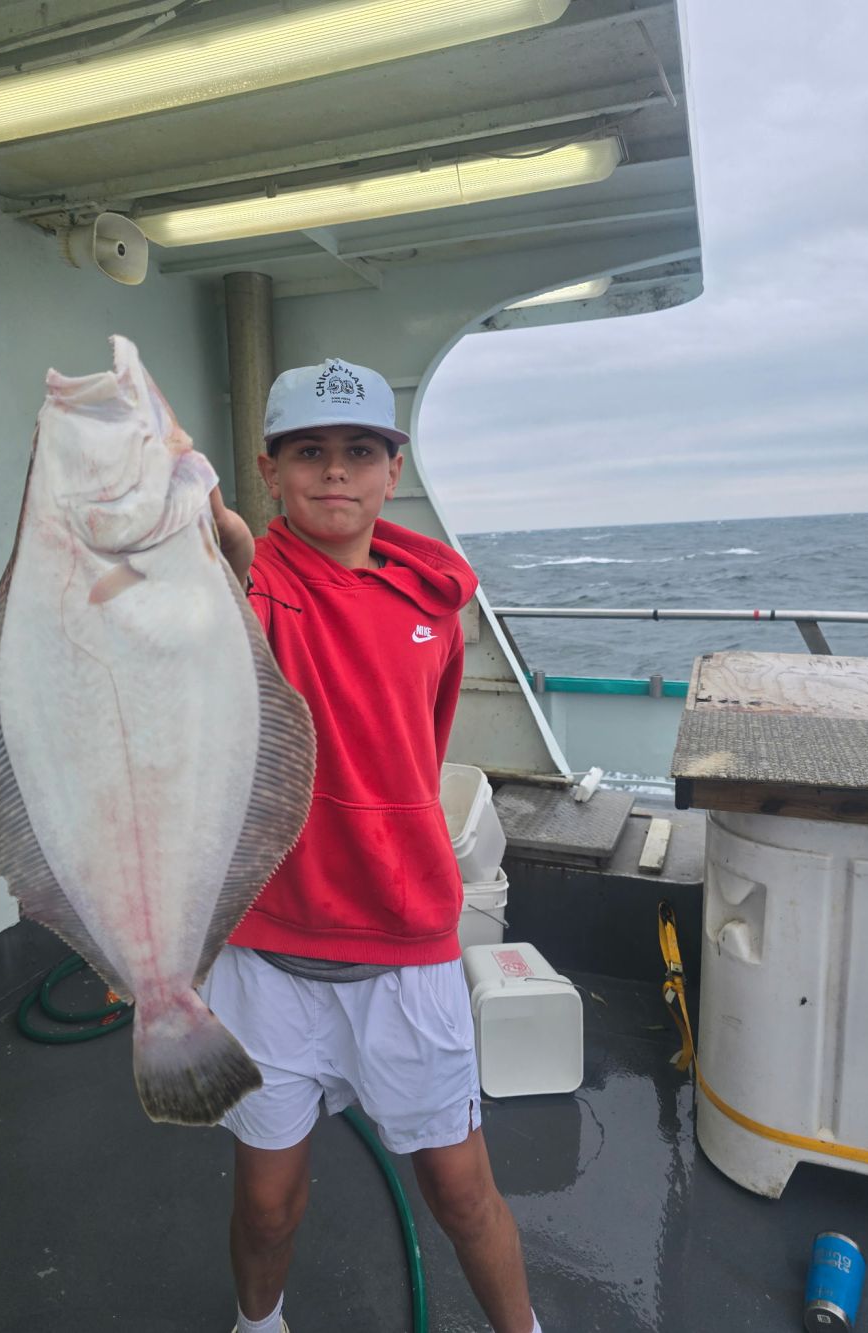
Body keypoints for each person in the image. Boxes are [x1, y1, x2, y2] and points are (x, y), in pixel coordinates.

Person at [206, 356, 541, 1333]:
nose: (336, 471)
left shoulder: (435, 606)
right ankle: (256, 1323)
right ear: (269, 471)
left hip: (406, 953)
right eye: (309, 451)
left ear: (395, 469)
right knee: (265, 1201)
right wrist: (218, 551)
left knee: (460, 1190)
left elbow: (420, 748)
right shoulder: (251, 584)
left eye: (360, 450)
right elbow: (222, 598)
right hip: (266, 955)